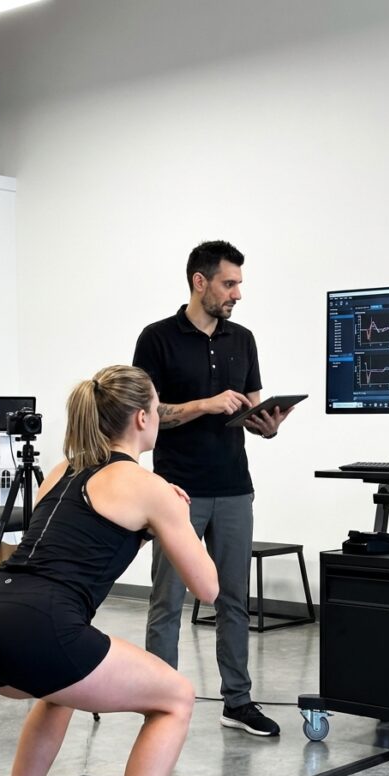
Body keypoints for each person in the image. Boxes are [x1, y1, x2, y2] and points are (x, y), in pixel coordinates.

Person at [0, 365, 218, 776]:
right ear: (143, 418)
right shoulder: (148, 485)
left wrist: (153, 522)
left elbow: (76, 542)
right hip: (38, 628)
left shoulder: (63, 469)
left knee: (58, 693)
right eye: (158, 408)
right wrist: (173, 519)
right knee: (176, 698)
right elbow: (208, 588)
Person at [132, 240, 292, 738]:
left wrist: (266, 424)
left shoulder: (243, 339)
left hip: (234, 487)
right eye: (229, 283)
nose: (237, 293)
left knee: (234, 599)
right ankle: (161, 702)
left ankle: (237, 702)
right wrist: (203, 404)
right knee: (168, 600)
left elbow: (251, 409)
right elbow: (148, 416)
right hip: (176, 491)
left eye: (239, 283)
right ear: (199, 282)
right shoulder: (156, 339)